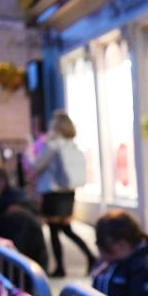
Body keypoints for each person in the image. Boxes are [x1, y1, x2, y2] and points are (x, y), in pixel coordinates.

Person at [29, 110, 96, 277]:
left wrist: (29, 153)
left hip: (53, 192)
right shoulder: (71, 145)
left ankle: (61, 267)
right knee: (66, 229)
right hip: (68, 191)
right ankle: (90, 257)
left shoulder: (52, 145)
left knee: (55, 231)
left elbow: (36, 167)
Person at [92, 210, 148, 296]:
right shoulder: (112, 260)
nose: (102, 255)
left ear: (122, 244)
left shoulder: (143, 267)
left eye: (103, 247)